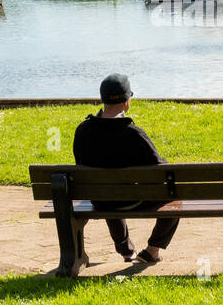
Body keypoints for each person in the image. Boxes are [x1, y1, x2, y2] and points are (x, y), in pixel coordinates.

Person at [69, 73, 179, 271]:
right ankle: (152, 250)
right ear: (127, 101)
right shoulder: (133, 134)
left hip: (99, 199)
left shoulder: (83, 131)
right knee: (175, 199)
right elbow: (162, 171)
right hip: (133, 200)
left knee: (109, 190)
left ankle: (127, 252)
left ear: (102, 100)